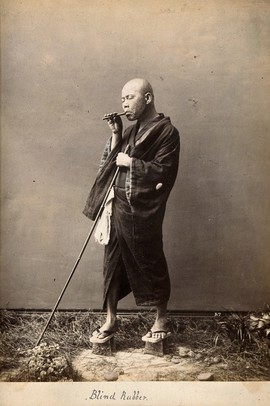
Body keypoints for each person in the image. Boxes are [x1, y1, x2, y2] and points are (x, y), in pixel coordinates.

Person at [83, 78, 180, 344]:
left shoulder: (167, 132)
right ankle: (111, 319)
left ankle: (161, 319)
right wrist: (116, 133)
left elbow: (164, 171)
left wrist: (132, 163)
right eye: (122, 99)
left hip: (141, 208)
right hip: (117, 204)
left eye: (130, 97)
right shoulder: (130, 131)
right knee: (112, 261)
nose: (124, 104)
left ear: (147, 98)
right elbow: (111, 164)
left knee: (149, 258)